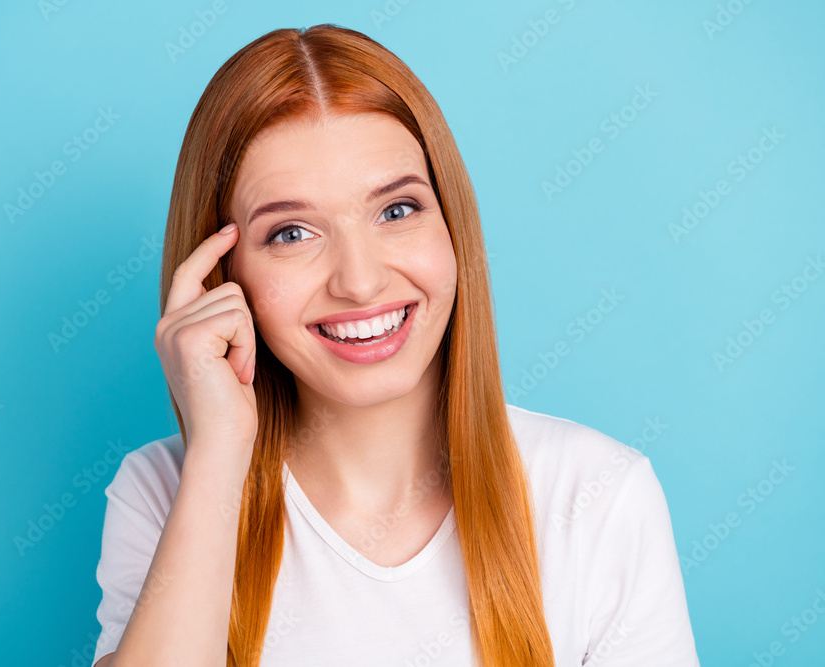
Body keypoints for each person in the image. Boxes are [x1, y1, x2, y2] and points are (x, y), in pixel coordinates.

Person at [90, 24, 700, 667]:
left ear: (452, 226)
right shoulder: (162, 490)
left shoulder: (599, 495)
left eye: (396, 211)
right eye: (292, 233)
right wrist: (216, 453)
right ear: (225, 276)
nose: (360, 282)